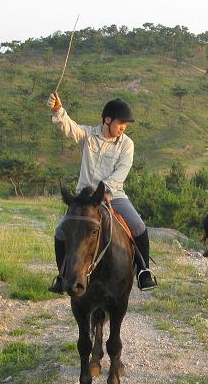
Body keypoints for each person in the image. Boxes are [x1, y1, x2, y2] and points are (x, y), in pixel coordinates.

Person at [46, 92, 157, 293]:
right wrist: (58, 110)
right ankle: (62, 277)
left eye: (126, 124)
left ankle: (144, 272)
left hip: (114, 195)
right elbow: (70, 128)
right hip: (84, 199)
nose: (123, 127)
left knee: (139, 226)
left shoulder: (127, 144)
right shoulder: (88, 137)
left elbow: (122, 170)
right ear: (107, 119)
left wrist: (105, 190)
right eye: (120, 122)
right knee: (60, 232)